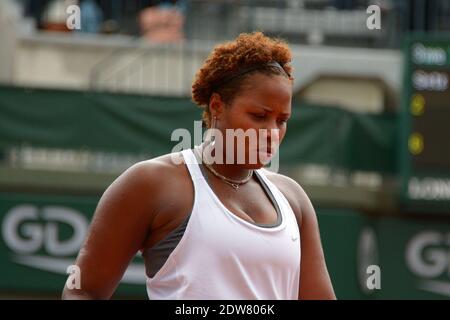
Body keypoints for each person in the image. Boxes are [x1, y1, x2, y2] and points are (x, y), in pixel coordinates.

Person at [61, 32, 336, 300]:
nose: (272, 132)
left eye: (281, 120)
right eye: (259, 116)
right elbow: (83, 291)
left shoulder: (293, 199)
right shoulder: (151, 183)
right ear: (217, 106)